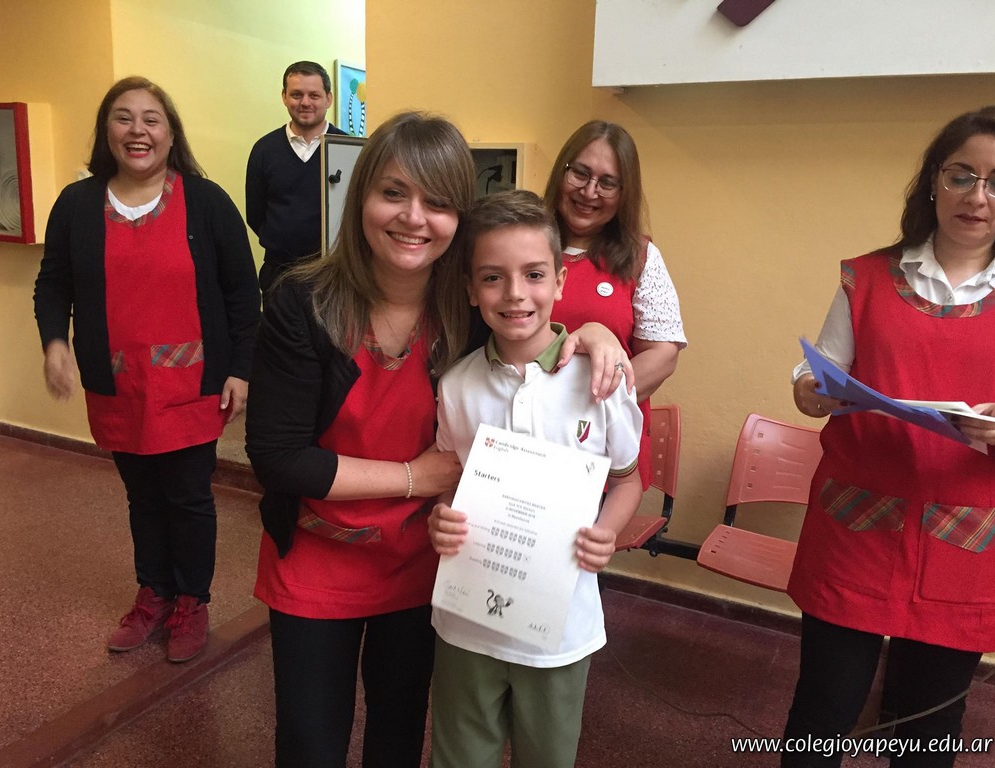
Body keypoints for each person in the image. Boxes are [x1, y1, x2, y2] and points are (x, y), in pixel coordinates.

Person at [245, 113, 632, 768]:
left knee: (399, 733)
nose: (414, 218)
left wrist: (593, 333)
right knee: (310, 742)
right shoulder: (302, 304)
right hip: (317, 555)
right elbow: (279, 458)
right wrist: (415, 477)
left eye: (438, 202)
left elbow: (531, 319)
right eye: (393, 193)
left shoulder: (467, 311)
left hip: (425, 558)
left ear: (459, 218)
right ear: (360, 196)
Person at [784, 106, 995, 767]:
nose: (978, 197)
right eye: (962, 175)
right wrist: (811, 391)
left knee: (928, 730)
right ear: (934, 181)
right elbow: (818, 375)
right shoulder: (868, 277)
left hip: (966, 539)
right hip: (857, 525)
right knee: (822, 711)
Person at [33, 76, 260, 663]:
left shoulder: (206, 202)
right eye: (124, 117)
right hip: (117, 385)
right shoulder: (76, 205)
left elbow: (242, 292)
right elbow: (53, 285)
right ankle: (154, 592)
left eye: (151, 119)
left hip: (191, 384)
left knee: (188, 496)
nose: (138, 131)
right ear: (106, 131)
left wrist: (241, 367)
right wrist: (54, 343)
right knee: (142, 497)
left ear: (170, 133)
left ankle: (192, 601)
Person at [426, 189, 643, 768]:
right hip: (466, 624)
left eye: (534, 274)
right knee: (459, 756)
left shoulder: (601, 380)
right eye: (492, 278)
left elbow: (628, 480)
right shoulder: (456, 386)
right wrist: (441, 517)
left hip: (560, 630)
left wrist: (608, 532)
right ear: (471, 289)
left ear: (560, 282)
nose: (515, 293)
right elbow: (451, 478)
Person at [544, 120, 687, 488]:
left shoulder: (641, 257)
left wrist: (589, 406)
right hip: (520, 435)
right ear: (561, 171)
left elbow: (663, 355)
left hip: (601, 446)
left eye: (607, 183)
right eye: (580, 173)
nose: (589, 191)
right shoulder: (523, 239)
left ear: (625, 193)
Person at [246, 60, 348, 294]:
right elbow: (255, 214)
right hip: (279, 275)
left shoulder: (348, 149)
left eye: (314, 95)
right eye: (296, 95)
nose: (305, 102)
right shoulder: (264, 150)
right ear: (284, 97)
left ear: (328, 99)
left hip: (334, 274)